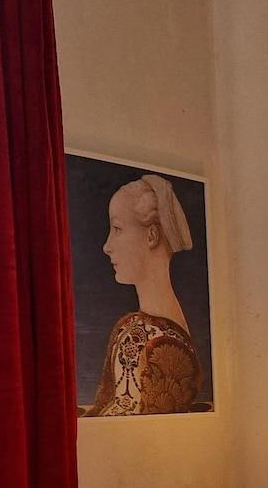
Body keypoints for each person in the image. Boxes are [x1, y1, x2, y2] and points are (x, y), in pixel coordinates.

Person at [85, 174, 201, 416]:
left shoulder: (146, 338)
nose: (107, 246)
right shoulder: (134, 327)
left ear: (151, 236)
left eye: (117, 229)